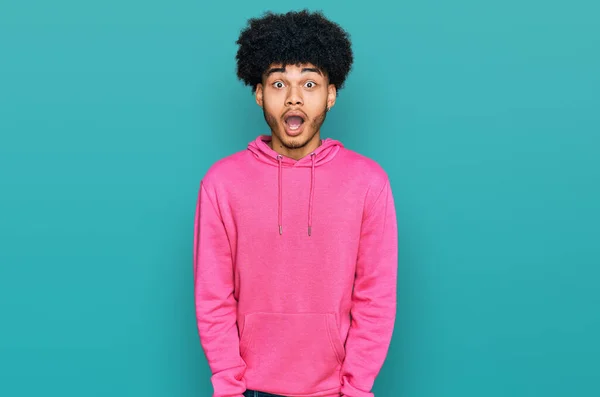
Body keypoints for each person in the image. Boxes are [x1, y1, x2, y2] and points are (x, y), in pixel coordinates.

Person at [193, 9, 398, 397]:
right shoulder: (221, 183)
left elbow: (376, 298)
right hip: (248, 390)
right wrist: (228, 385)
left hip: (338, 391)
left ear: (331, 94)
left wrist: (356, 387)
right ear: (258, 93)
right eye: (278, 84)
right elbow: (213, 297)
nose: (293, 98)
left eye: (309, 83)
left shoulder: (369, 183)